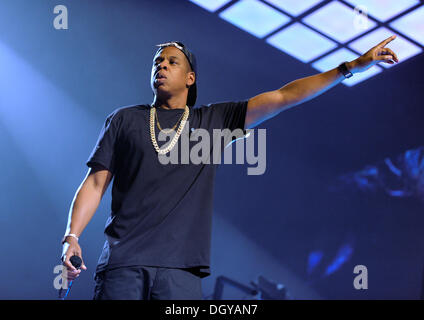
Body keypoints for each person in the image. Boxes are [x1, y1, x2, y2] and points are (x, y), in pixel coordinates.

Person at [61, 37, 398, 300]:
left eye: (172, 61)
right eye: (157, 62)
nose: (161, 66)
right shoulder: (124, 119)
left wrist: (350, 67)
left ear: (190, 77)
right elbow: (95, 183)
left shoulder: (213, 121)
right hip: (124, 263)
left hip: (182, 271)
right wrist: (72, 237)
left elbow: (284, 97)